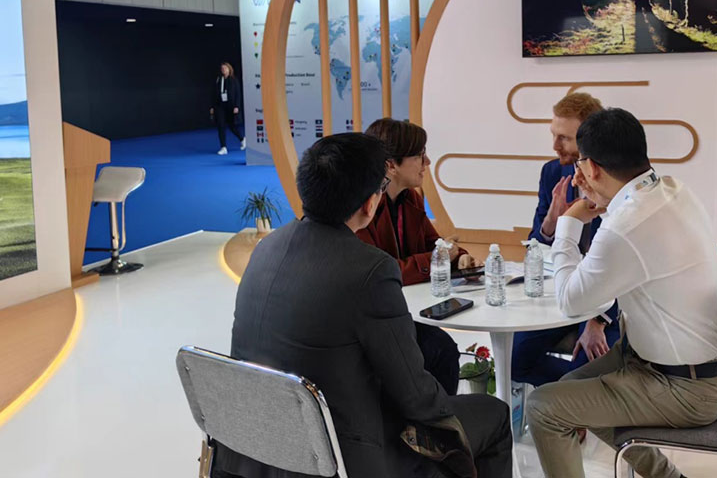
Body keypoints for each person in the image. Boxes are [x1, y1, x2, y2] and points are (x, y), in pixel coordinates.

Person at [213, 133, 512, 478]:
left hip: (257, 447)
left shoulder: (266, 248)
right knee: (493, 414)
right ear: (370, 204)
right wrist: (446, 421)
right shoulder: (370, 270)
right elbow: (415, 396)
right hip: (343, 454)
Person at [527, 109, 717, 478]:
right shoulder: (671, 190)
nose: (577, 174)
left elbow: (571, 301)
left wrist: (568, 223)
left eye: (580, 164)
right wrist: (604, 205)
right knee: (570, 387)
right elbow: (608, 288)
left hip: (685, 388)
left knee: (544, 407)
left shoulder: (626, 226)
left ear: (592, 168)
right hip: (685, 366)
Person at [358, 118, 475, 395]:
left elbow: (435, 244)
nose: (428, 162)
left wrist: (460, 258)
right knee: (442, 349)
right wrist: (436, 258)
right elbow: (380, 272)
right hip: (373, 321)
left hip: (402, 309)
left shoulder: (411, 197)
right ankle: (436, 418)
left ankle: (435, 415)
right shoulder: (362, 208)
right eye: (420, 156)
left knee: (442, 348)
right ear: (391, 165)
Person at [511, 93, 621, 387]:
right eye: (553, 135)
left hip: (607, 303)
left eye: (564, 138)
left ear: (589, 139)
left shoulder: (616, 179)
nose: (555, 145)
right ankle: (572, 394)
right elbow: (535, 248)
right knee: (512, 360)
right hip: (563, 293)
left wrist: (598, 320)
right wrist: (550, 223)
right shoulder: (552, 172)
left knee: (590, 361)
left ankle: (580, 393)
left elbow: (626, 264)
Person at [210, 62, 245, 155]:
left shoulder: (234, 80)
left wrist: (237, 106)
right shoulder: (219, 79)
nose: (223, 70)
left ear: (229, 69)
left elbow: (238, 94)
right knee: (221, 125)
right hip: (220, 106)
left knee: (232, 126)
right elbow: (214, 94)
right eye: (222, 69)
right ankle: (223, 147)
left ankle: (242, 139)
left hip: (231, 105)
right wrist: (212, 106)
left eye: (225, 68)